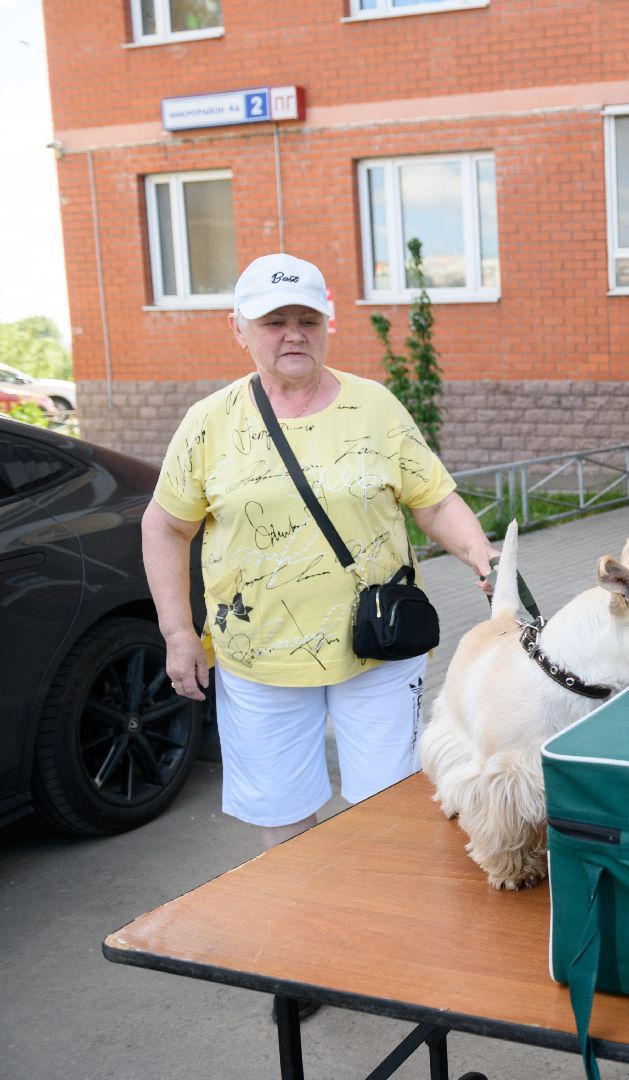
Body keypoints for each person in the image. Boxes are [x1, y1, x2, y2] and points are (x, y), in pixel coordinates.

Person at [142, 253, 497, 854]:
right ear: (239, 328)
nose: (293, 334)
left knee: (389, 808)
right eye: (274, 320)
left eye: (307, 318)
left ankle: (384, 920)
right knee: (282, 819)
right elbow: (165, 528)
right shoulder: (210, 422)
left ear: (328, 324)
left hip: (378, 649)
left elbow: (433, 501)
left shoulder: (376, 407)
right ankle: (300, 931)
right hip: (259, 659)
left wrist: (482, 556)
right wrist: (179, 634)